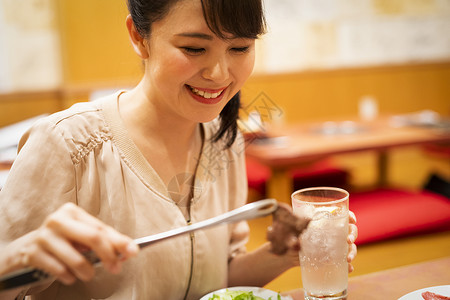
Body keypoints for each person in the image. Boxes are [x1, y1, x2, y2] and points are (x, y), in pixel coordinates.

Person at [0, 0, 358, 299]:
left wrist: (285, 253)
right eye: (194, 48)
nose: (219, 74)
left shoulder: (225, 139)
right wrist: (15, 259)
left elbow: (216, 282)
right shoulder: (68, 144)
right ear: (139, 37)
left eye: (239, 48)